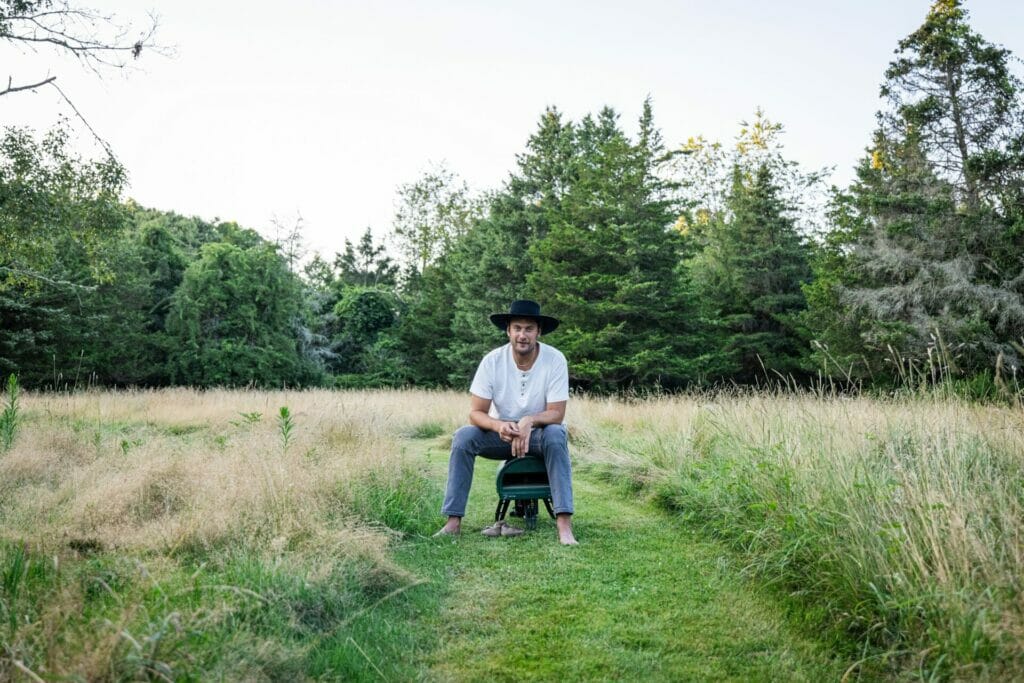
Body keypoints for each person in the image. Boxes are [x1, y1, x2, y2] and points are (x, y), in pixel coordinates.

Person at [435, 299, 577, 545]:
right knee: (463, 437)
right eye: (517, 328)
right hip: (503, 435)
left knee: (556, 434)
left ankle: (564, 524)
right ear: (508, 331)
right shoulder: (492, 361)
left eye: (529, 329)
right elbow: (476, 413)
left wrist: (529, 421)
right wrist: (499, 425)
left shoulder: (555, 359)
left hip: (539, 434)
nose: (523, 335)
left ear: (538, 332)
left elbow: (556, 414)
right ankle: (453, 521)